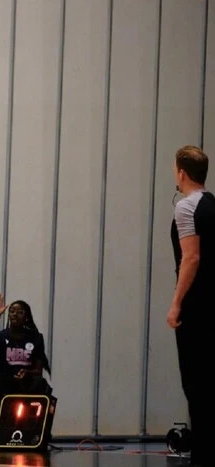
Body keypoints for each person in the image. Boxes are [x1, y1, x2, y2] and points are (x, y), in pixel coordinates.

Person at [169, 145, 214, 466]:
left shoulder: (186, 207)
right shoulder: (212, 204)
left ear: (181, 173)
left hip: (196, 306)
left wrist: (176, 303)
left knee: (195, 381)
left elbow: (191, 257)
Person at [0, 294, 51, 445]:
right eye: (12, 311)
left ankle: (38, 433)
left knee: (41, 384)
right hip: (6, 379)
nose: (15, 314)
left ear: (26, 317)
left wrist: (27, 373)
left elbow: (38, 370)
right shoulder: (0, 336)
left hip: (27, 379)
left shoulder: (36, 337)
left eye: (20, 312)